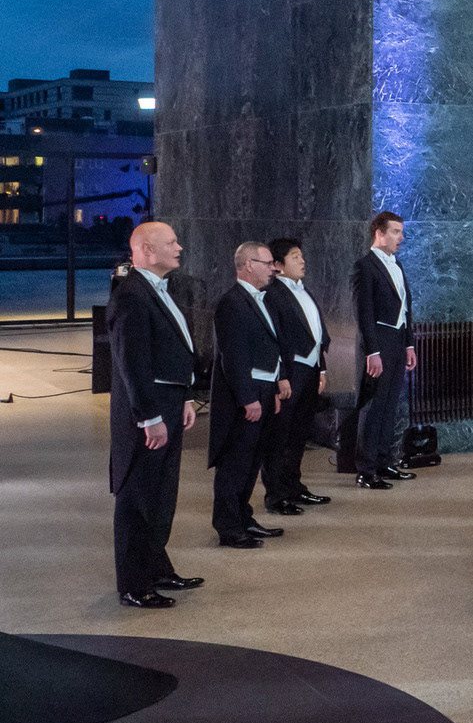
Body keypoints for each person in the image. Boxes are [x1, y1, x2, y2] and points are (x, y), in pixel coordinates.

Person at [107, 221, 201, 608]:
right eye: (171, 242)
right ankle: (133, 584)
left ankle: (156, 567)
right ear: (146, 249)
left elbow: (174, 350)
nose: (180, 247)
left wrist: (186, 397)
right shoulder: (131, 295)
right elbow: (133, 363)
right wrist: (148, 417)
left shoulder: (160, 290)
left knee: (162, 496)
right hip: (147, 414)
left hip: (169, 406)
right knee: (138, 499)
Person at [207, 242, 285, 549]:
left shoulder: (260, 299)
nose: (274, 268)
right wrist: (247, 398)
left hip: (264, 389)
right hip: (246, 395)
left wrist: (274, 386)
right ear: (247, 265)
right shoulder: (232, 302)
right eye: (267, 263)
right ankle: (228, 526)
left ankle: (243, 517)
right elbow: (234, 355)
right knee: (235, 462)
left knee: (252, 460)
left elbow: (269, 348)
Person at [261, 238, 332, 518]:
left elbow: (316, 334)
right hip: (290, 373)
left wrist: (322, 368)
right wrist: (281, 376)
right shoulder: (273, 294)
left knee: (300, 433)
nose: (302, 261)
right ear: (278, 266)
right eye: (294, 257)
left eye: (301, 255)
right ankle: (276, 494)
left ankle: (294, 486)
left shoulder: (305, 290)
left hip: (310, 370)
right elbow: (274, 340)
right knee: (280, 435)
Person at [351, 212, 416, 489]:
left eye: (401, 232)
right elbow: (363, 312)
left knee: (390, 405)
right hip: (379, 342)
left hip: (397, 341)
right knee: (374, 406)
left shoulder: (397, 264)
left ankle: (384, 461)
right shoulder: (365, 267)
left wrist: (409, 343)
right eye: (396, 232)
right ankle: (366, 470)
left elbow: (406, 307)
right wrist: (372, 351)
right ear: (379, 233)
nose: (401, 237)